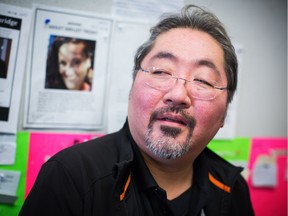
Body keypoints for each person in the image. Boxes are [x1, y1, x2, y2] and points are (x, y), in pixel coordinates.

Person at [20, 5, 254, 216]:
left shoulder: (232, 188)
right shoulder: (71, 176)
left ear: (224, 112)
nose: (178, 95)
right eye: (161, 71)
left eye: (203, 80)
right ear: (132, 87)